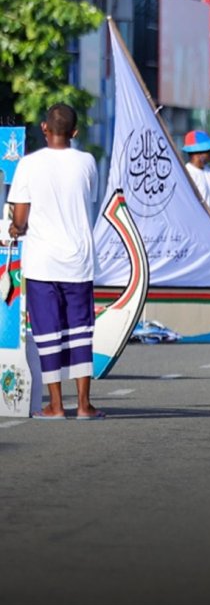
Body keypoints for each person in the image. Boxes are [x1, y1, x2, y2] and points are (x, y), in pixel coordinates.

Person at [7, 103, 104, 420]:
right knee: (80, 332)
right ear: (75, 133)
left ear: (44, 128)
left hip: (42, 262)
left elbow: (20, 220)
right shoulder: (87, 162)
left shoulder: (29, 165)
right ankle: (85, 405)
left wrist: (15, 227)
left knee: (48, 332)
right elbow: (86, 199)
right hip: (79, 260)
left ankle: (56, 405)